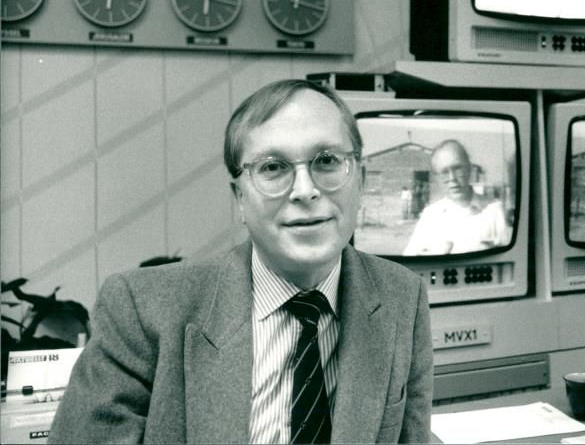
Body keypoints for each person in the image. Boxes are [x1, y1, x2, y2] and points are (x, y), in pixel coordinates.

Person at [48, 79, 433, 444]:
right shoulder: (141, 308)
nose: (305, 190)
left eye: (327, 160)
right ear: (240, 199)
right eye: (272, 167)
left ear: (361, 180)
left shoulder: (402, 296)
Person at [403, 140, 512, 256]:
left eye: (457, 168)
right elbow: (408, 262)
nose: (452, 178)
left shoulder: (495, 211)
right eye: (444, 172)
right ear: (436, 178)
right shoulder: (430, 216)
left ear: (469, 168)